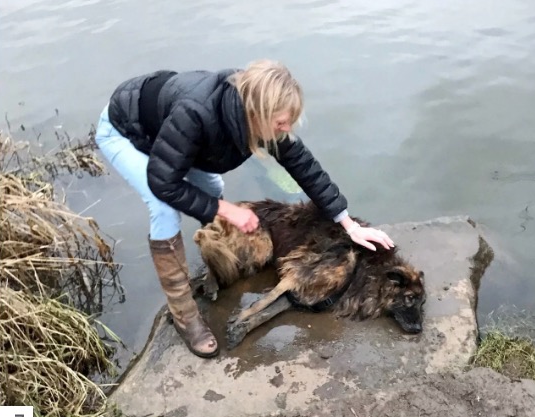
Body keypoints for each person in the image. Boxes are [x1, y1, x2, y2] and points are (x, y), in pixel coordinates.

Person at [94, 59, 395, 359]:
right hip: (127, 131)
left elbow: (305, 168)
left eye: (289, 121)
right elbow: (162, 183)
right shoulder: (195, 113)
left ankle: (214, 256)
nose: (286, 129)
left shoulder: (261, 117)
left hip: (170, 134)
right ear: (257, 113)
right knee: (163, 207)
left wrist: (348, 223)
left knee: (212, 189)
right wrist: (226, 209)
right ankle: (184, 315)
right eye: (280, 123)